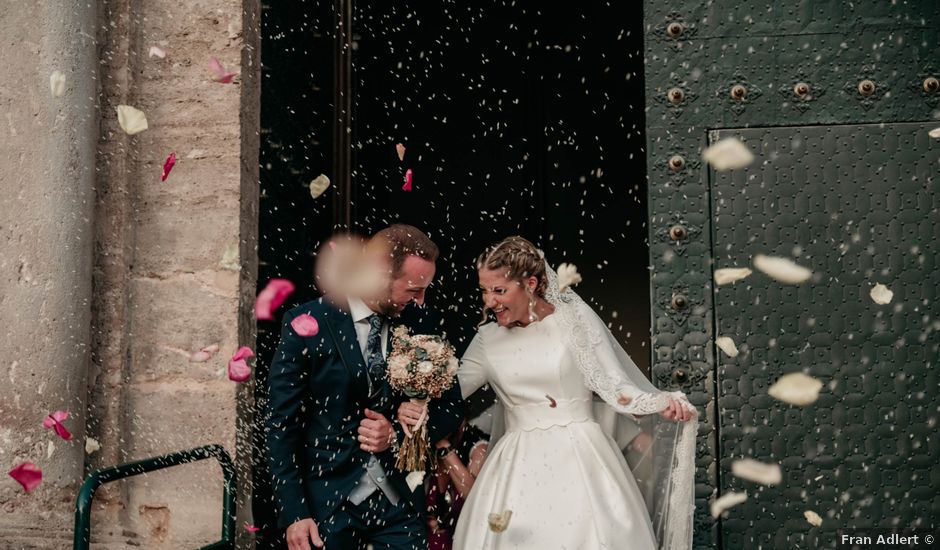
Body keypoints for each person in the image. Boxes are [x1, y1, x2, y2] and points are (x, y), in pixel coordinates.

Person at [399, 236, 697, 549]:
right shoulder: (488, 339)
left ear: (530, 284)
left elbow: (613, 384)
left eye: (499, 290)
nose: (489, 301)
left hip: (582, 458)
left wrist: (657, 403)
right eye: (484, 291)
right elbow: (447, 392)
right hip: (517, 466)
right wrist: (414, 390)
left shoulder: (575, 321)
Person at [266, 224, 464, 550]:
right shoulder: (309, 323)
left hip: (399, 506)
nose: (420, 301)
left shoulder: (420, 325)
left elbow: (452, 407)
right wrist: (293, 512)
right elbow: (280, 425)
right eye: (414, 290)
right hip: (326, 508)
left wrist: (400, 435)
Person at [426, 419, 490, 550]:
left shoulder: (478, 448)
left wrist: (446, 452)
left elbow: (473, 497)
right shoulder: (425, 446)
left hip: (464, 539)